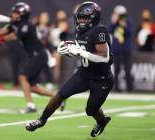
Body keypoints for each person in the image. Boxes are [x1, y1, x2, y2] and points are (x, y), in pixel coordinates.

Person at [26, 2, 114, 138]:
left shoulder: (99, 30)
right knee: (60, 94)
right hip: (84, 73)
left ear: (94, 17)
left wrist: (81, 52)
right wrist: (69, 50)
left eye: (85, 17)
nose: (81, 20)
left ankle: (102, 120)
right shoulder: (80, 30)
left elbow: (104, 58)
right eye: (80, 17)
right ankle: (41, 120)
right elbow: (82, 50)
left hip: (101, 77)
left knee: (91, 110)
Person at [0, 2, 64, 113]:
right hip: (35, 55)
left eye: (16, 13)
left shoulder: (27, 25)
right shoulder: (15, 24)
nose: (13, 14)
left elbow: (14, 36)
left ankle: (31, 106)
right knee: (33, 88)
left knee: (22, 76)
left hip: (40, 54)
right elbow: (3, 31)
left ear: (23, 14)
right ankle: (59, 97)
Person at [108, 5, 133, 92]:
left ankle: (129, 88)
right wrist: (114, 22)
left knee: (127, 69)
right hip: (117, 49)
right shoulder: (114, 23)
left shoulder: (128, 21)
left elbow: (129, 33)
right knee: (116, 69)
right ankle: (117, 87)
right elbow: (109, 30)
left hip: (126, 49)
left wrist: (124, 25)